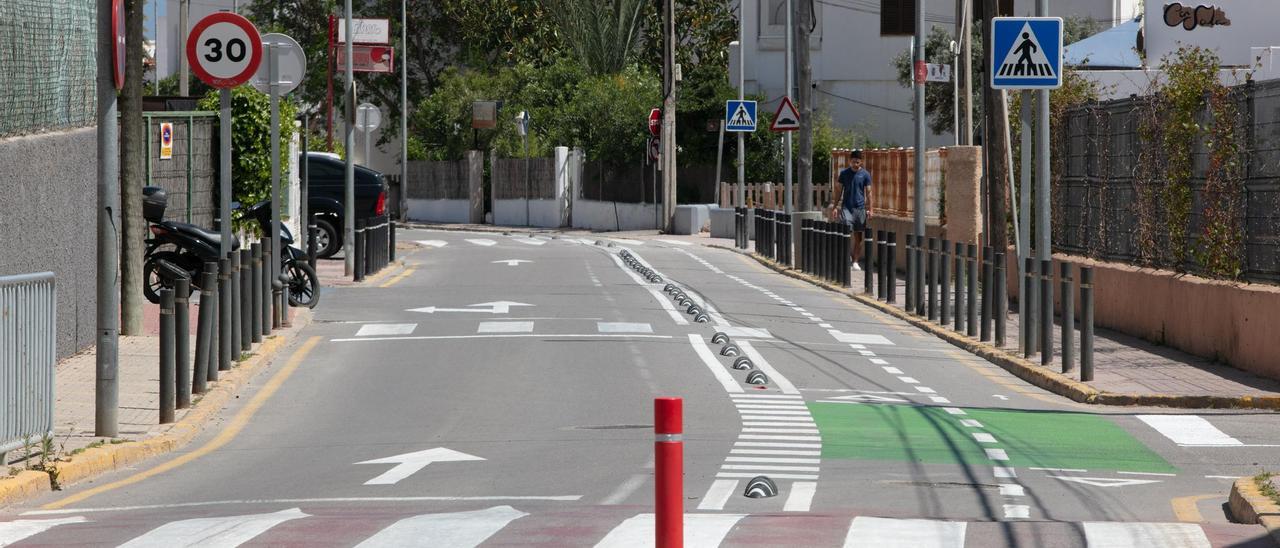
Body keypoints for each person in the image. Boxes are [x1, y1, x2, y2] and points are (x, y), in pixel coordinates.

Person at [832, 149, 871, 270]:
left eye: (857, 162)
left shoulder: (865, 174)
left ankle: (855, 261)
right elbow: (839, 191)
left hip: (860, 208)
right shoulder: (844, 173)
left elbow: (869, 193)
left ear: (861, 162)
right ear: (850, 161)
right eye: (853, 161)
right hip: (846, 207)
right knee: (846, 231)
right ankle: (846, 256)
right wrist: (835, 207)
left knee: (858, 236)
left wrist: (871, 209)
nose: (855, 164)